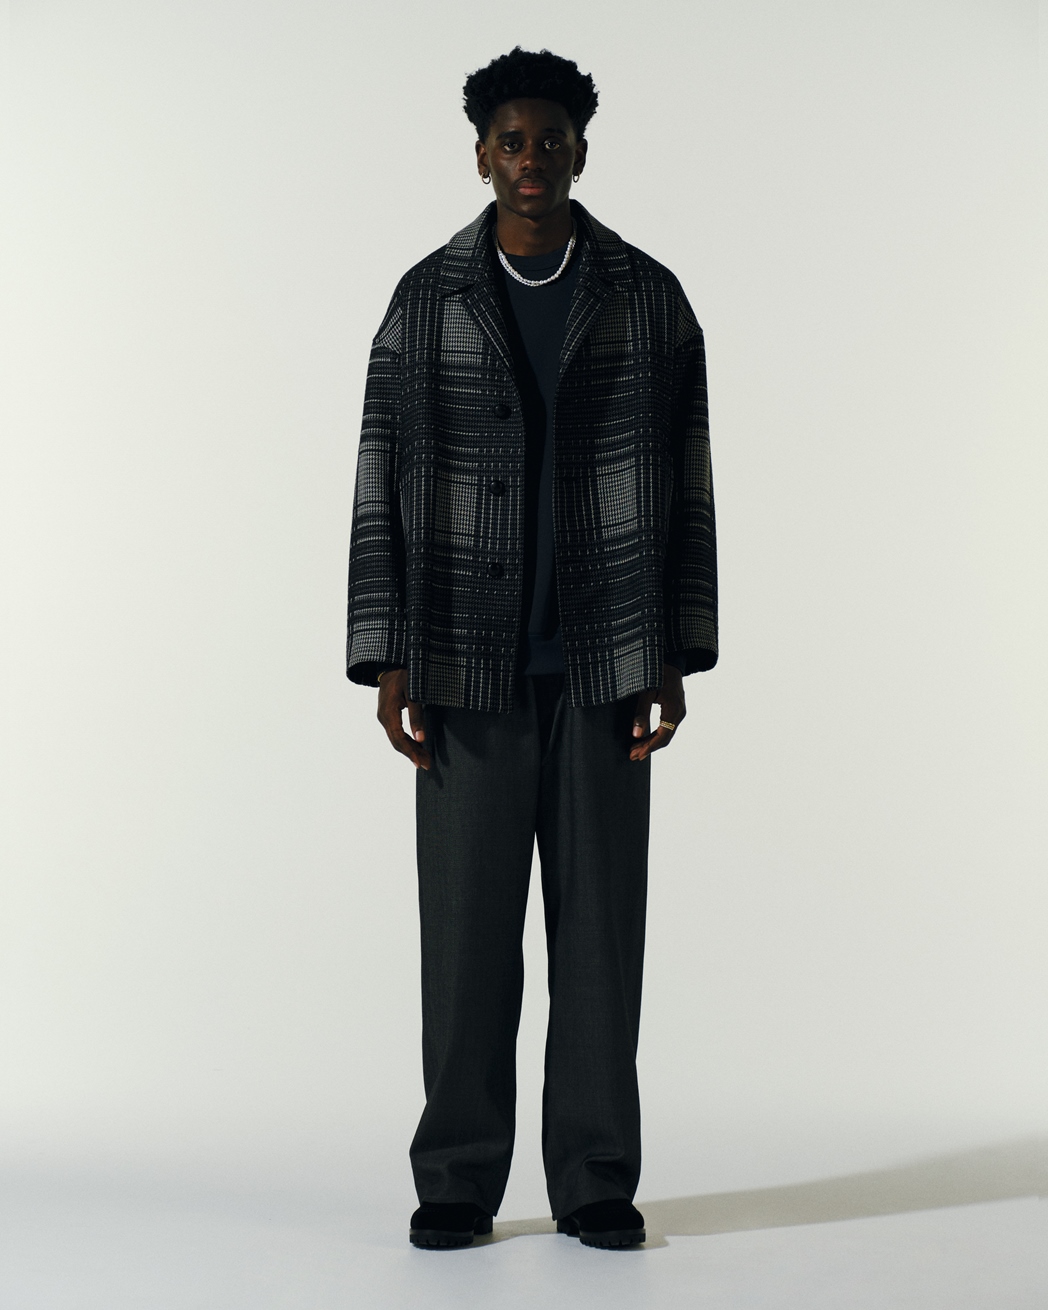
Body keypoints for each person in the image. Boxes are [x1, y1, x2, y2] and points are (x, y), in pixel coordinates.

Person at [346, 46, 717, 1250]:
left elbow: (688, 484)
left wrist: (674, 649)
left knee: (601, 940)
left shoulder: (647, 298)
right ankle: (456, 1176)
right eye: (511, 141)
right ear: (480, 156)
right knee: (464, 943)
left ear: (579, 152)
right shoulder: (425, 300)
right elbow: (378, 478)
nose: (530, 160)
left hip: (606, 667)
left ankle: (595, 1175)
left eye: (550, 140)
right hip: (464, 665)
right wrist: (386, 652)